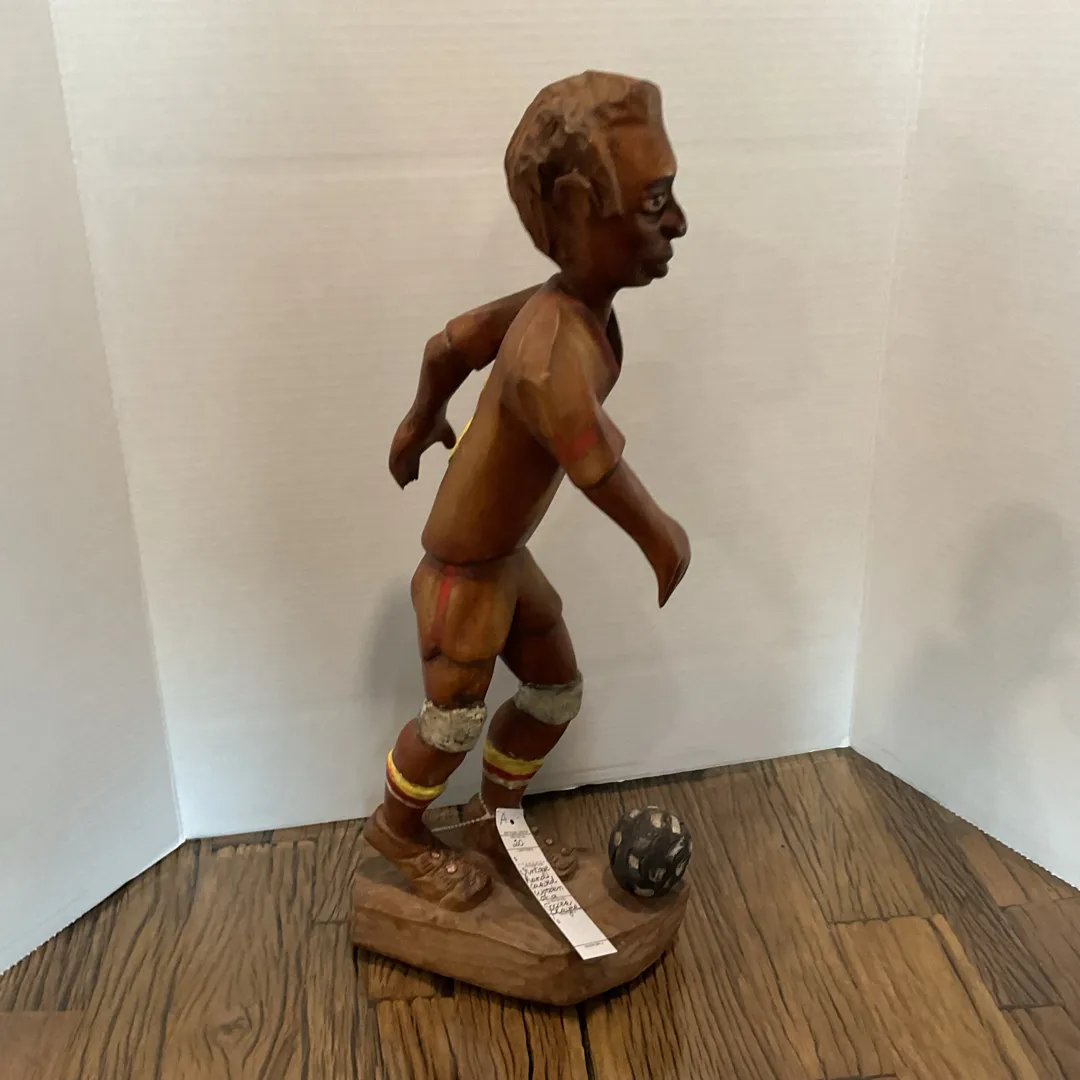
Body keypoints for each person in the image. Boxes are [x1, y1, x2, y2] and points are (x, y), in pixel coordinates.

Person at [363, 71, 691, 911]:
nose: (678, 224)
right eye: (656, 203)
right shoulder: (553, 353)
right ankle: (397, 830)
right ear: (581, 210)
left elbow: (449, 344)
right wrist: (661, 537)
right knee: (450, 724)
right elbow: (592, 462)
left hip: (504, 560)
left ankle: (495, 815)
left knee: (554, 692)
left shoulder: (565, 306)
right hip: (464, 576)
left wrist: (421, 417)